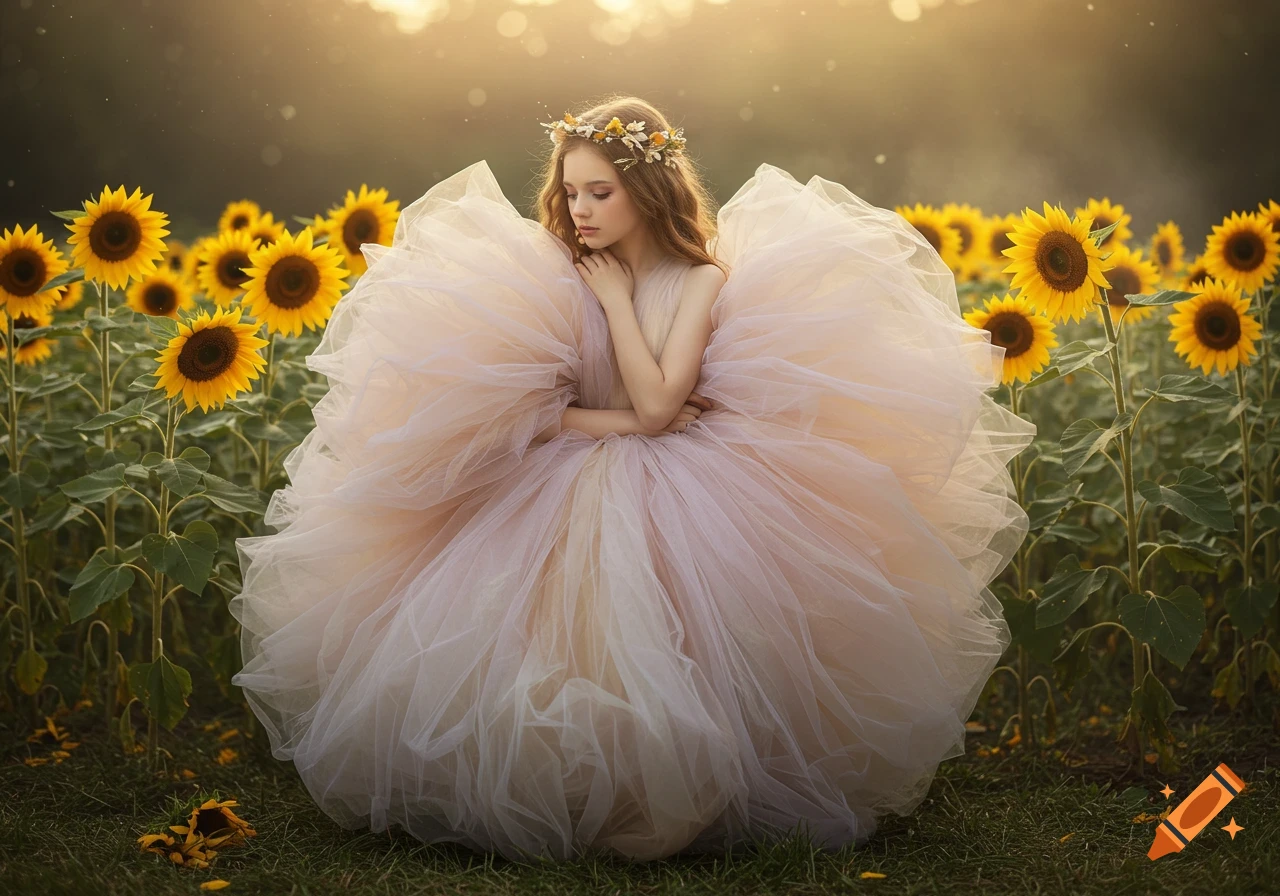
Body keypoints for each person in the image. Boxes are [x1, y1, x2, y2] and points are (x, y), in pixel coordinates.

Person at [228, 95, 1036, 863]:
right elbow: (528, 414)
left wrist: (616, 307)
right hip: (560, 474)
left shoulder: (699, 281)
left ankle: (670, 793)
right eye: (571, 191)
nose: (579, 210)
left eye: (600, 191)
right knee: (548, 637)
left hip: (688, 481)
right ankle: (566, 784)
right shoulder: (557, 270)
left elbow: (657, 406)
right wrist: (601, 416)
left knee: (664, 637)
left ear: (647, 190)